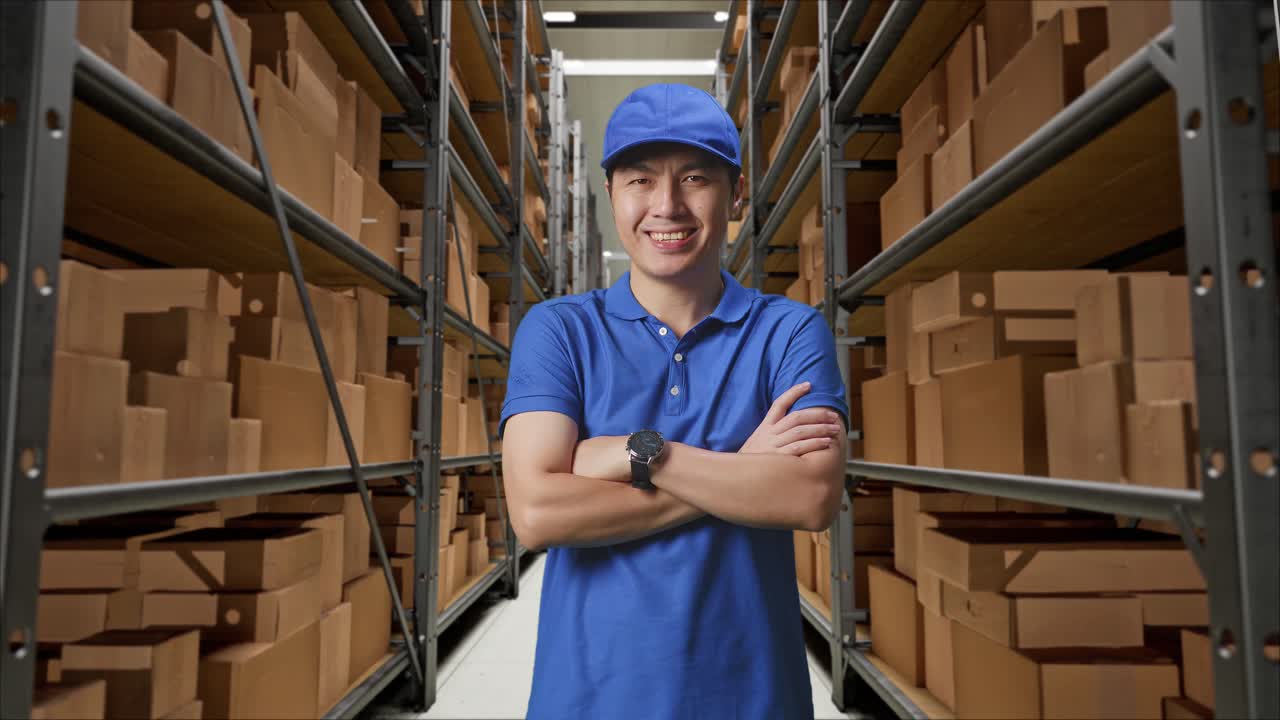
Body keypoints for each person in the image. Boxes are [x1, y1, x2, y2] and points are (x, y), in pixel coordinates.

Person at [500, 83, 849, 720]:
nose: (667, 205)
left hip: (752, 695)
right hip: (589, 696)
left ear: (736, 192)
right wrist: (740, 469)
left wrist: (641, 454)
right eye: (640, 180)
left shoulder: (791, 333)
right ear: (610, 193)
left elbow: (809, 497)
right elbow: (537, 512)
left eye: (695, 178)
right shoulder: (559, 331)